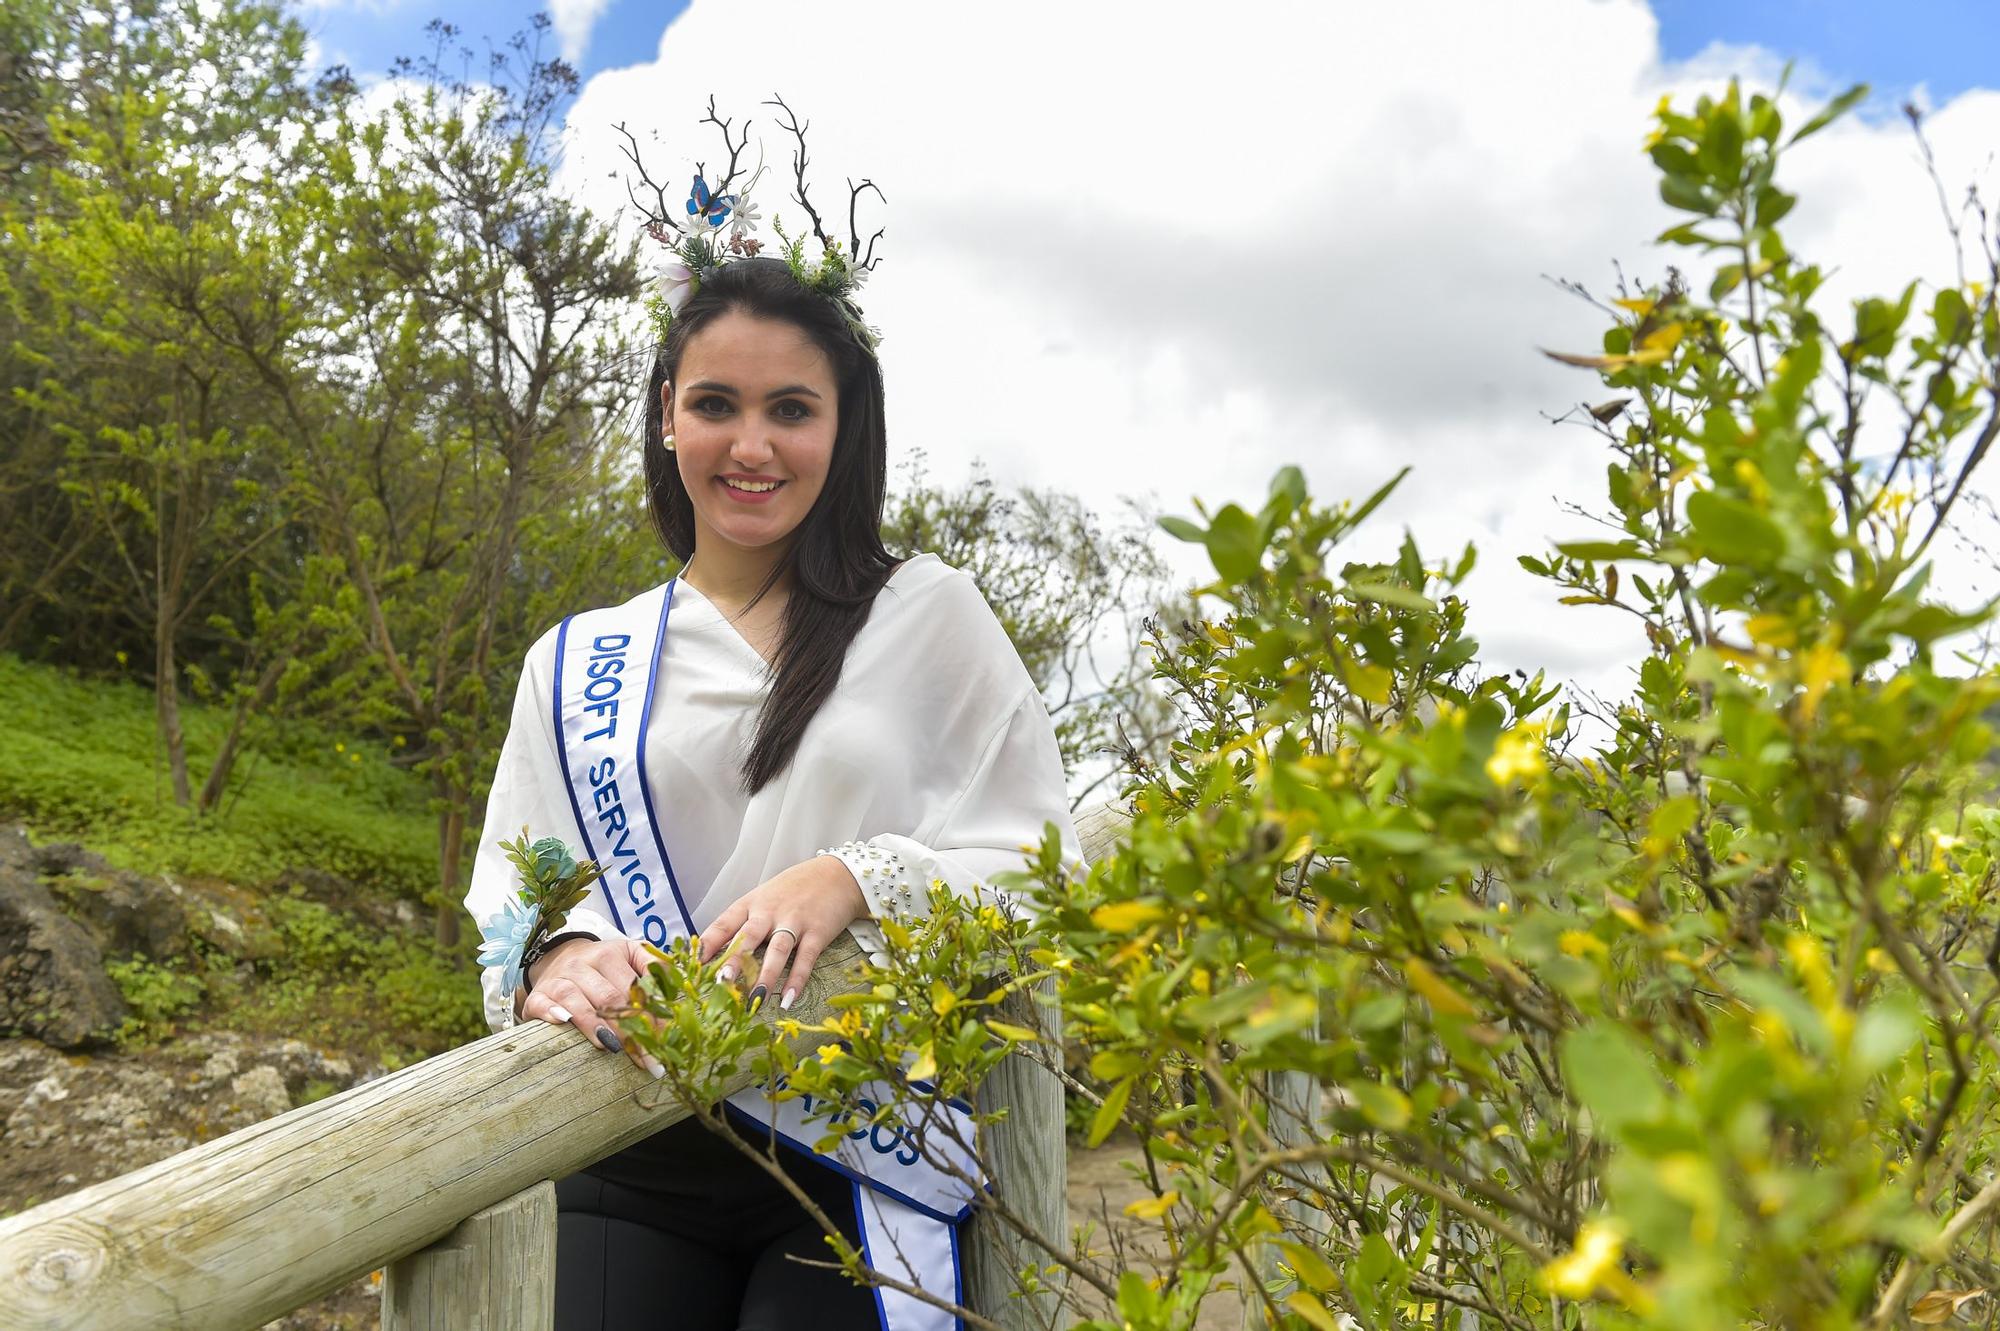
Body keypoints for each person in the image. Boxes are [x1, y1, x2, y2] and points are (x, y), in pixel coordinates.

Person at [460, 227, 1086, 1327]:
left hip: (862, 1149)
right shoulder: (573, 661)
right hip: (631, 1137)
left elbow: (1042, 857)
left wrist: (856, 874)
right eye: (715, 403)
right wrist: (557, 953)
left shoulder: (923, 615)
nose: (750, 444)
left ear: (844, 430)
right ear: (666, 414)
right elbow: (521, 884)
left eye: (790, 408)